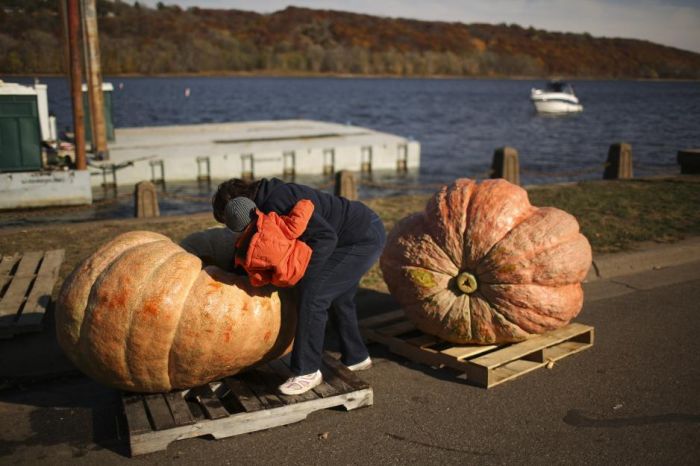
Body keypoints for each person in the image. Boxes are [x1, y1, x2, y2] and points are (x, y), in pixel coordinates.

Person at [212, 178, 386, 395]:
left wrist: (307, 279)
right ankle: (357, 355)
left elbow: (325, 237)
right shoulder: (265, 201)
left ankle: (307, 370)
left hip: (361, 237)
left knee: (314, 297)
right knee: (340, 298)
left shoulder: (279, 200)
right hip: (356, 231)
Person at [224, 196, 314, 288]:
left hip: (287, 281)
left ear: (235, 229)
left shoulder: (242, 255)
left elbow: (259, 280)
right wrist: (306, 204)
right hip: (305, 258)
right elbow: (295, 228)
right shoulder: (269, 221)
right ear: (255, 210)